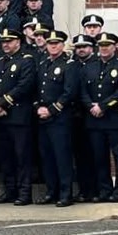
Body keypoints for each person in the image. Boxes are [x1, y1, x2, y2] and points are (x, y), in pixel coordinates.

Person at [81, 32, 118, 204]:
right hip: (95, 121)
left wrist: (103, 106)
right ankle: (104, 190)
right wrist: (91, 106)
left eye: (107, 45)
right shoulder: (89, 67)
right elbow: (82, 91)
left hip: (116, 120)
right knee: (99, 158)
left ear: (114, 47)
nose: (104, 48)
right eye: (101, 46)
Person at [0, 28, 36, 206]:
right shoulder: (1, 62)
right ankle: (10, 190)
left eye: (9, 41)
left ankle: (24, 192)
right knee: (6, 156)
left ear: (18, 41)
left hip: (19, 116)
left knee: (21, 156)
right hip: (1, 117)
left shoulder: (26, 60)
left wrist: (3, 103)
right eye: (3, 41)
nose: (6, 44)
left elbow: (25, 85)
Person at [35, 30, 76, 207]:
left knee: (62, 157)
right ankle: (51, 192)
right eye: (50, 43)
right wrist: (39, 107)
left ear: (62, 45)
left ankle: (66, 194)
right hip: (43, 119)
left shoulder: (69, 65)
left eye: (56, 43)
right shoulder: (44, 64)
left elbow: (69, 93)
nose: (52, 46)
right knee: (47, 157)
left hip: (60, 119)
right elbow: (37, 90)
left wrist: (51, 110)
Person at [68, 34, 98, 203]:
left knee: (94, 155)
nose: (81, 49)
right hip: (75, 116)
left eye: (84, 46)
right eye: (78, 47)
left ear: (91, 48)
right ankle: (83, 190)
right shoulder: (72, 65)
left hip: (93, 115)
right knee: (79, 157)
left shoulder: (97, 64)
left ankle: (95, 190)